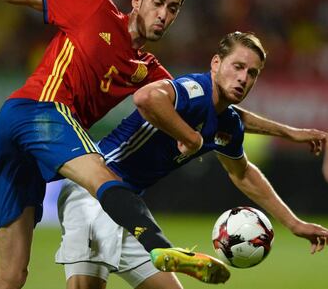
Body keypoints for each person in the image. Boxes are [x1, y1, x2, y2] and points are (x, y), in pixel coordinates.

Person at [55, 31, 328, 289]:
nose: (243, 77)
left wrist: (294, 223)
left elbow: (243, 174)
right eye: (238, 66)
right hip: (94, 190)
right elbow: (146, 96)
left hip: (130, 208)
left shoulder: (227, 122)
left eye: (252, 73)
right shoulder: (193, 90)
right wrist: (190, 137)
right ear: (216, 63)